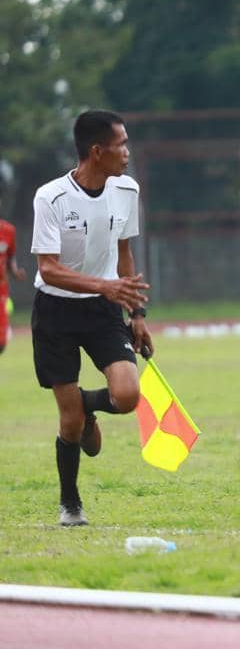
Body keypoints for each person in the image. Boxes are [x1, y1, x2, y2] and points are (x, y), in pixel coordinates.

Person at [30, 110, 153, 526]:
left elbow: (123, 255)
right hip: (55, 312)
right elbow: (48, 268)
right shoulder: (50, 198)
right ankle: (71, 504)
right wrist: (106, 287)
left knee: (128, 395)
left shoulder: (126, 189)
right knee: (69, 424)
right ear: (96, 151)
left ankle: (85, 405)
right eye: (121, 145)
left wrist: (136, 313)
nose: (127, 152)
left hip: (103, 308)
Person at [0, 213, 28, 353]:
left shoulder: (8, 230)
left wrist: (16, 272)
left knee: (2, 343)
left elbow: (11, 257)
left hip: (2, 291)